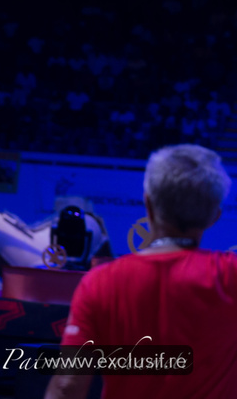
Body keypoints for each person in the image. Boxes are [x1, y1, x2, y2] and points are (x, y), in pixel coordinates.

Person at [45, 144, 237, 399]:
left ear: (147, 203)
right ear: (214, 216)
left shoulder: (101, 282)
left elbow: (67, 386)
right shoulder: (230, 276)